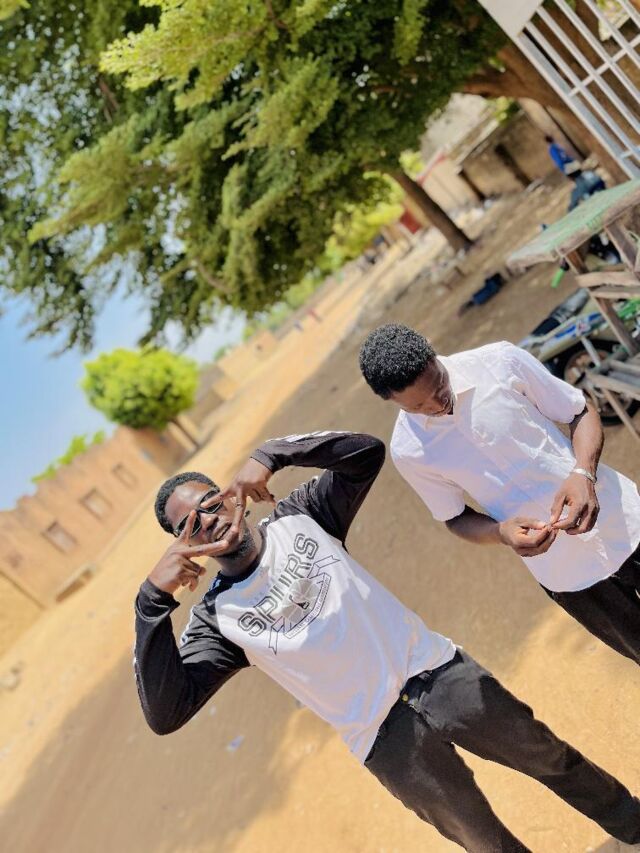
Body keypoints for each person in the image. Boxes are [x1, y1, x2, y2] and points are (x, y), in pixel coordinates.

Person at [134, 430, 640, 851]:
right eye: (190, 524)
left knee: (552, 759)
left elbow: (365, 454)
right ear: (185, 544)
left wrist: (274, 453)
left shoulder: (300, 516)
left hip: (438, 674)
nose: (209, 519)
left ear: (230, 495)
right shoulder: (217, 618)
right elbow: (166, 712)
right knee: (484, 840)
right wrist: (151, 600)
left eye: (211, 502)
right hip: (383, 738)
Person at [359, 325, 640, 665]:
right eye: (420, 406)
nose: (438, 403)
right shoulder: (409, 452)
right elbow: (454, 518)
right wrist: (500, 532)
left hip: (623, 522)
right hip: (567, 575)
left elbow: (579, 411)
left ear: (433, 355)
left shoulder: (500, 361)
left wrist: (583, 473)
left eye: (439, 385)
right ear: (391, 401)